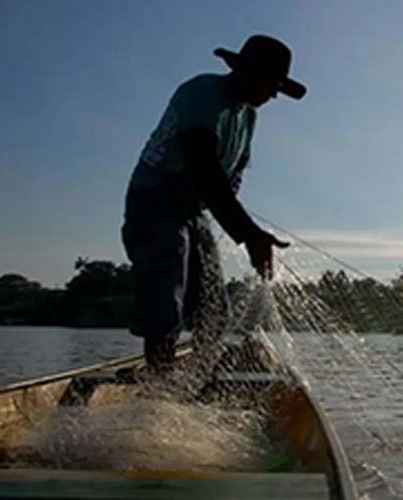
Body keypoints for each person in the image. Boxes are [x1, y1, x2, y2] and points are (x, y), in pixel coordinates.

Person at [122, 35, 305, 370]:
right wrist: (248, 233)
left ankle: (199, 375)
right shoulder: (203, 94)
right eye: (270, 85)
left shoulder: (248, 116)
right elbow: (204, 169)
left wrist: (244, 228)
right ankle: (158, 388)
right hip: (155, 201)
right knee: (165, 295)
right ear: (246, 73)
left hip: (194, 210)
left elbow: (231, 177)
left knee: (213, 307)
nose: (272, 95)